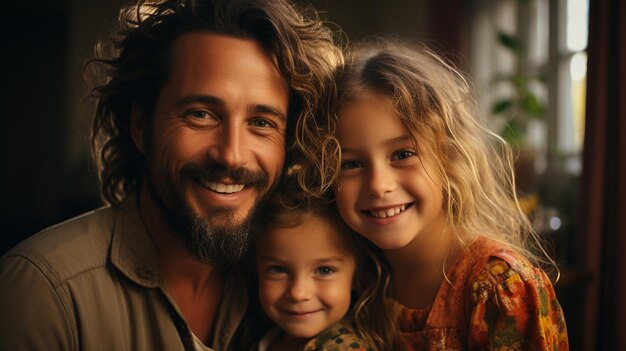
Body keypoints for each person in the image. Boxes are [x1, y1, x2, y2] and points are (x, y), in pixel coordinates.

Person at [0, 0, 341, 350]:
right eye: (201, 114)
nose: (231, 154)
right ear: (141, 126)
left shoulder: (291, 285)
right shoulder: (45, 293)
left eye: (261, 123)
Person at [297, 39, 569, 350]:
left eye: (402, 154)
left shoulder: (500, 285)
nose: (378, 184)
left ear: (449, 158)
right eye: (352, 163)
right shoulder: (352, 273)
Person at [245, 176, 401, 351]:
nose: (298, 293)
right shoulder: (264, 338)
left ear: (358, 275)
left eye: (324, 270)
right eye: (278, 269)